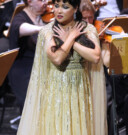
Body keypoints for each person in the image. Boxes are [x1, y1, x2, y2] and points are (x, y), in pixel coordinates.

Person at [17, 0, 107, 135]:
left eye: (65, 7)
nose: (58, 11)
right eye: (56, 6)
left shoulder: (88, 29)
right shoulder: (47, 31)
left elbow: (95, 57)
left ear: (75, 8)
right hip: (56, 89)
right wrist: (70, 38)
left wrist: (72, 41)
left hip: (79, 89)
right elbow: (57, 59)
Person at [8, 0, 47, 113]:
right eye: (41, 0)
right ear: (29, 1)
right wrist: (41, 28)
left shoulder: (44, 16)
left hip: (43, 68)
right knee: (31, 108)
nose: (45, 2)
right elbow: (17, 27)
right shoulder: (20, 18)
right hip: (24, 70)